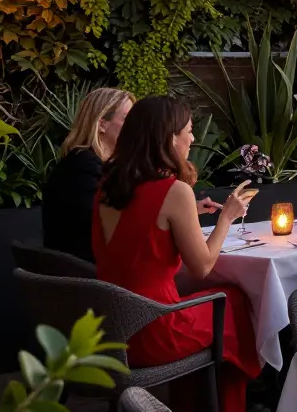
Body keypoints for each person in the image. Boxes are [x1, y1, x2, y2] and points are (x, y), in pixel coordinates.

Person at [93, 97, 261, 412]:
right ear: (169, 137)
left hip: (114, 329)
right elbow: (202, 267)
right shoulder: (173, 190)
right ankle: (229, 403)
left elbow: (139, 247)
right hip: (154, 330)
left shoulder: (107, 186)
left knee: (216, 301)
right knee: (233, 299)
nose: (193, 139)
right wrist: (227, 217)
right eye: (189, 130)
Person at [42, 88, 135, 262]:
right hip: (90, 276)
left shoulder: (91, 163)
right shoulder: (82, 167)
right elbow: (103, 226)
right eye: (127, 118)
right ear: (102, 124)